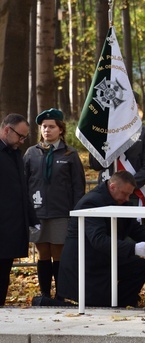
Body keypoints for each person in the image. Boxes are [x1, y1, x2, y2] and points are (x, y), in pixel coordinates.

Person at [58, 171, 145, 307]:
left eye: (130, 194)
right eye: (125, 193)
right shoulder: (91, 202)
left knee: (138, 267)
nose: (128, 199)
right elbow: (98, 240)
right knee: (98, 305)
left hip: (104, 256)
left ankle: (122, 304)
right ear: (112, 187)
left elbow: (135, 229)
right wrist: (133, 248)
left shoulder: (121, 201)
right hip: (85, 262)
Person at [23, 108, 86, 299]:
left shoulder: (70, 154)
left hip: (61, 212)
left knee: (58, 251)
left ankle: (60, 293)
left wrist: (76, 212)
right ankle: (44, 293)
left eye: (51, 127)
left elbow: (78, 186)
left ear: (60, 129)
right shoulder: (31, 153)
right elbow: (23, 182)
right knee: (43, 252)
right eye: (44, 127)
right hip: (38, 212)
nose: (47, 130)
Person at [89, 91, 145, 209]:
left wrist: (126, 187)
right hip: (105, 193)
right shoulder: (103, 132)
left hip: (132, 194)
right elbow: (95, 164)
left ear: (136, 107)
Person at [0, 113, 39, 305]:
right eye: (20, 136)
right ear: (7, 130)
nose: (22, 141)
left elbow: (23, 190)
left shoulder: (15, 153)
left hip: (11, 226)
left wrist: (32, 219)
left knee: (3, 273)